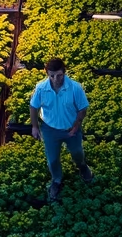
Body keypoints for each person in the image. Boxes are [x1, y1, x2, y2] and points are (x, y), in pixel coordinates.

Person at [29, 57, 94, 200]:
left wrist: (76, 125)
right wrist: (35, 127)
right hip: (50, 129)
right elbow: (34, 107)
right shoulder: (41, 88)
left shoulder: (75, 88)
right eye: (51, 75)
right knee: (52, 159)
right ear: (47, 74)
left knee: (77, 152)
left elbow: (82, 109)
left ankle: (82, 167)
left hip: (71, 128)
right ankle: (57, 180)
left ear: (64, 72)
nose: (55, 79)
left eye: (59, 75)